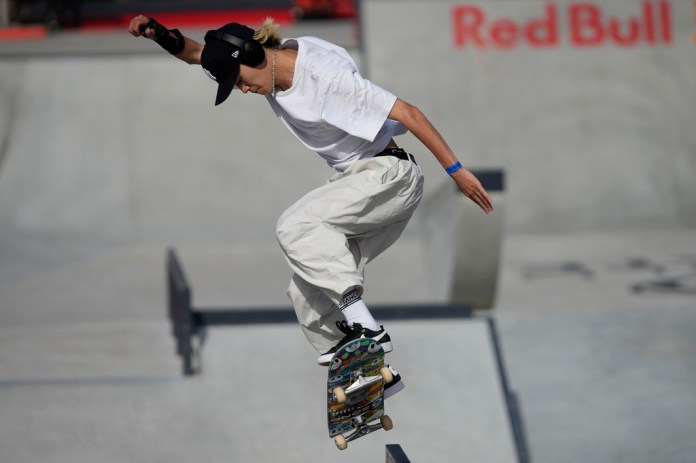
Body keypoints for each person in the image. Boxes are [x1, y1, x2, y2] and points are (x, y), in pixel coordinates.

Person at [128, 16, 493, 396]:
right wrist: (158, 33)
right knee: (306, 293)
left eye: (240, 81)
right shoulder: (266, 66)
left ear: (253, 56)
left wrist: (456, 171)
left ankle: (367, 328)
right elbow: (196, 54)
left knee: (294, 226)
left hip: (388, 176)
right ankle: (369, 375)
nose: (244, 90)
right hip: (360, 186)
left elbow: (410, 113)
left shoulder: (327, 79)